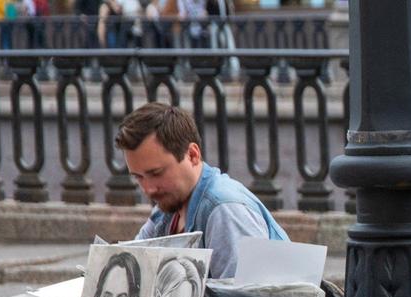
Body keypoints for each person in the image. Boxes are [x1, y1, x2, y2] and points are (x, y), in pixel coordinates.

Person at [115, 102, 289, 280]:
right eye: (138, 177)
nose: (149, 189)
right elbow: (131, 271)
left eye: (156, 173)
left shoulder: (225, 209)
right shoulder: (166, 208)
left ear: (192, 155)